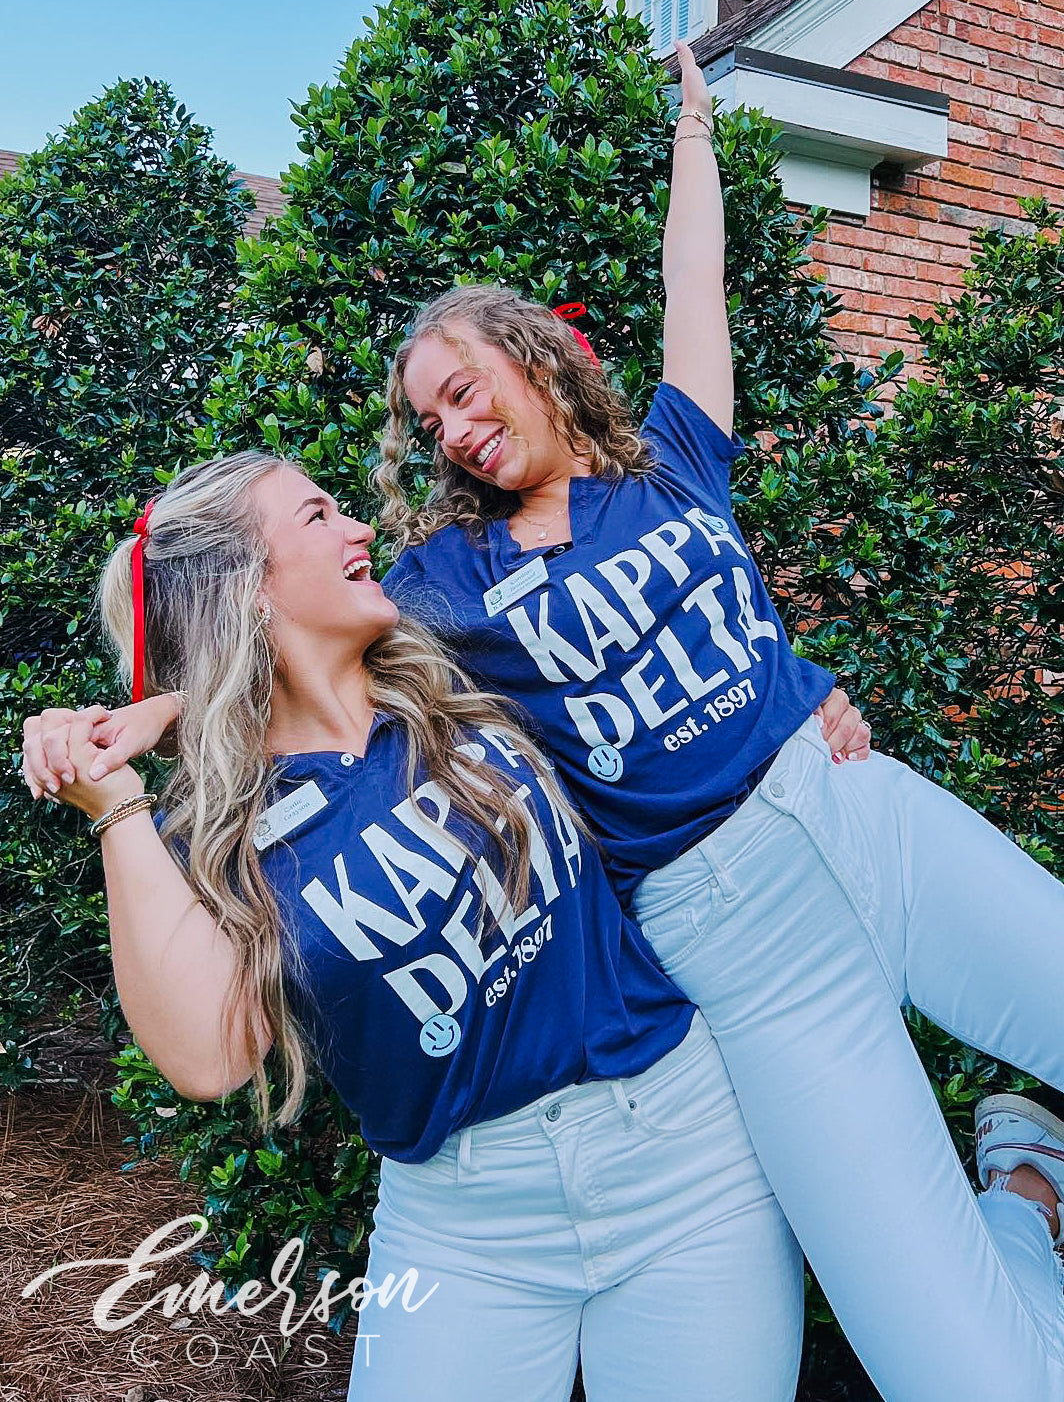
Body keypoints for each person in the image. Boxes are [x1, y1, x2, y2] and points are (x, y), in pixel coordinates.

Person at [359, 41, 1064, 1399]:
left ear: (530, 356)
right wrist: (149, 720)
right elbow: (298, 644)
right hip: (742, 953)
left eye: (462, 387)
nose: (450, 428)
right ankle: (1027, 1190)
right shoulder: (443, 582)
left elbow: (696, 284)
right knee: (965, 1382)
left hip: (862, 814)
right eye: (428, 419)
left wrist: (695, 131)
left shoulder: (674, 460)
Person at [22, 450, 813, 1402]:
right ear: (247, 588)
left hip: (684, 1157)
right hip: (463, 1226)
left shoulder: (460, 666)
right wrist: (114, 802)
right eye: (318, 516)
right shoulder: (219, 834)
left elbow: (671, 668)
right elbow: (209, 1058)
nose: (360, 528)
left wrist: (807, 714)